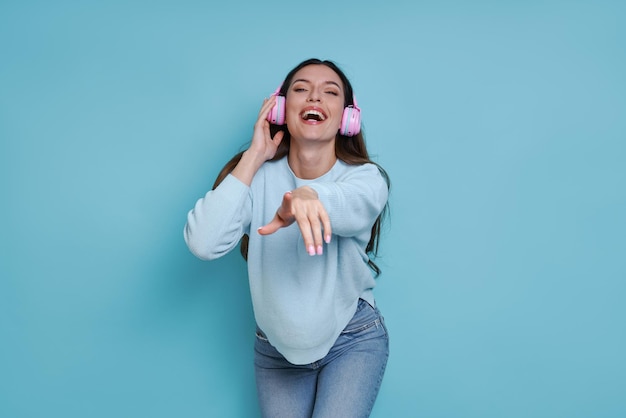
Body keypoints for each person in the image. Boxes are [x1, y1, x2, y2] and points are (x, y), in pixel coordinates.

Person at [184, 58, 390, 418]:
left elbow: (352, 203)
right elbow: (203, 243)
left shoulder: (366, 179)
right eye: (300, 89)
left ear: (347, 118)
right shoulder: (256, 178)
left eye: (330, 92)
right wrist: (253, 157)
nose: (314, 97)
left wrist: (312, 196)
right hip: (276, 350)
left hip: (352, 339)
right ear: (279, 108)